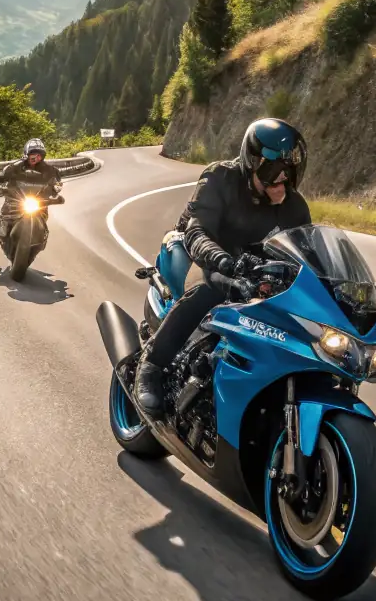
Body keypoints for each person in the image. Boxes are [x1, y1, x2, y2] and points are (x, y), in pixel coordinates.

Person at [133, 118, 312, 415]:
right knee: (209, 289)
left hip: (253, 270)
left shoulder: (294, 205)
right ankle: (151, 364)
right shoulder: (220, 178)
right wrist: (223, 262)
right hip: (200, 253)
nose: (281, 181)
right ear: (252, 163)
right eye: (273, 173)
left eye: (288, 174)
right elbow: (197, 231)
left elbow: (307, 251)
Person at [0, 139, 62, 239]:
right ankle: (1, 232)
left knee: (43, 213)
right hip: (18, 198)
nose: (36, 157)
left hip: (37, 200)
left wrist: (56, 187)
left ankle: (42, 232)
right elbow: (4, 173)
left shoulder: (49, 169)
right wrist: (0, 177)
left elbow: (57, 181)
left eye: (39, 155)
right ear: (27, 154)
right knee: (7, 211)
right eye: (33, 154)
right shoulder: (16, 166)